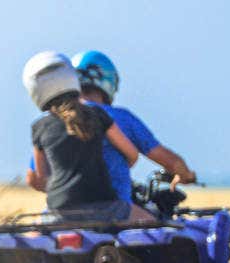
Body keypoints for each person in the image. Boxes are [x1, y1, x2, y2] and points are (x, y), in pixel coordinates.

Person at [70, 51, 197, 220]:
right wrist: (186, 175)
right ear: (109, 82)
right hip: (112, 209)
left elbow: (36, 179)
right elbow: (170, 161)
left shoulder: (53, 120)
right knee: (161, 231)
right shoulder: (119, 118)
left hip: (62, 210)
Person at [22, 51, 141, 222]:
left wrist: (63, 188)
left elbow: (39, 179)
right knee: (154, 224)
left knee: (35, 236)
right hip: (106, 208)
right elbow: (131, 154)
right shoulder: (97, 114)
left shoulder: (39, 127)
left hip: (59, 212)